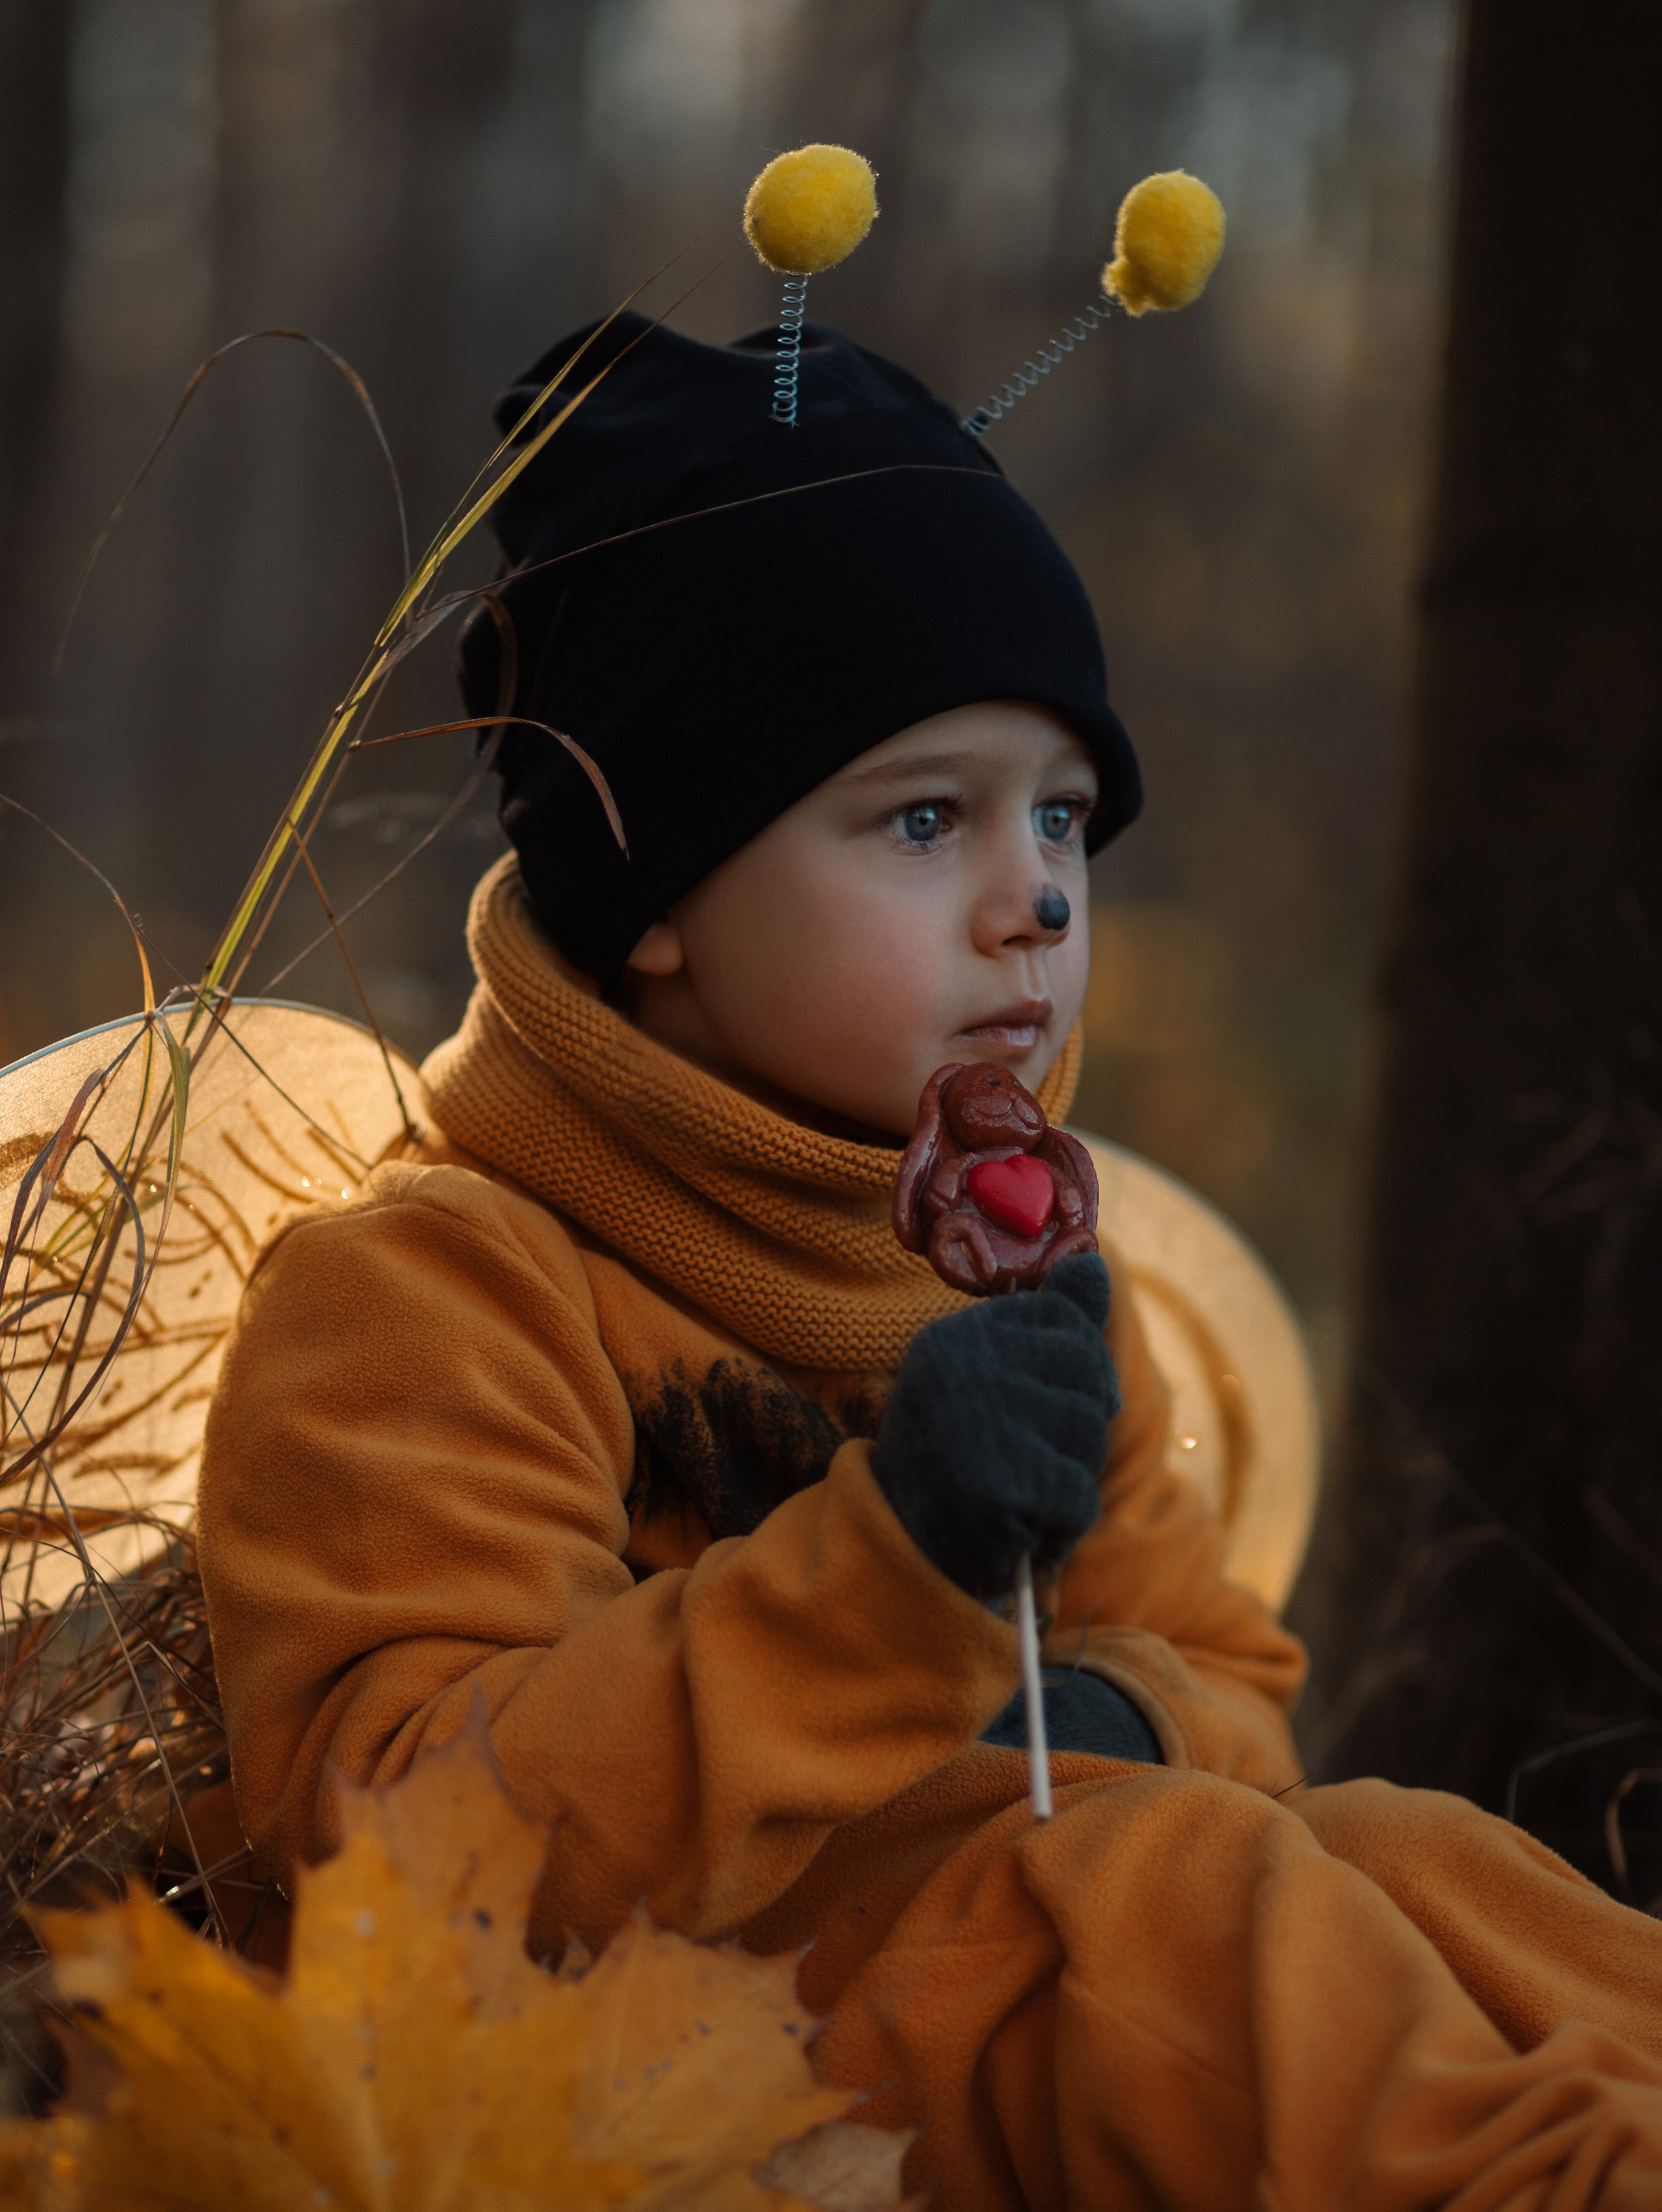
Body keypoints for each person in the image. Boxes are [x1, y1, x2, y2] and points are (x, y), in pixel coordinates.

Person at [197, 314, 1662, 2210]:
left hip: (1026, 1972)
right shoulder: (435, 1299)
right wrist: (892, 1583)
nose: (1037, 898)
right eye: (923, 818)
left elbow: (1229, 1678)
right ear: (657, 893)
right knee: (1169, 1893)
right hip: (685, 2072)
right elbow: (394, 1851)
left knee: (1420, 1858)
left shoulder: (1010, 1284)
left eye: (1063, 816)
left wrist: (1092, 1716)